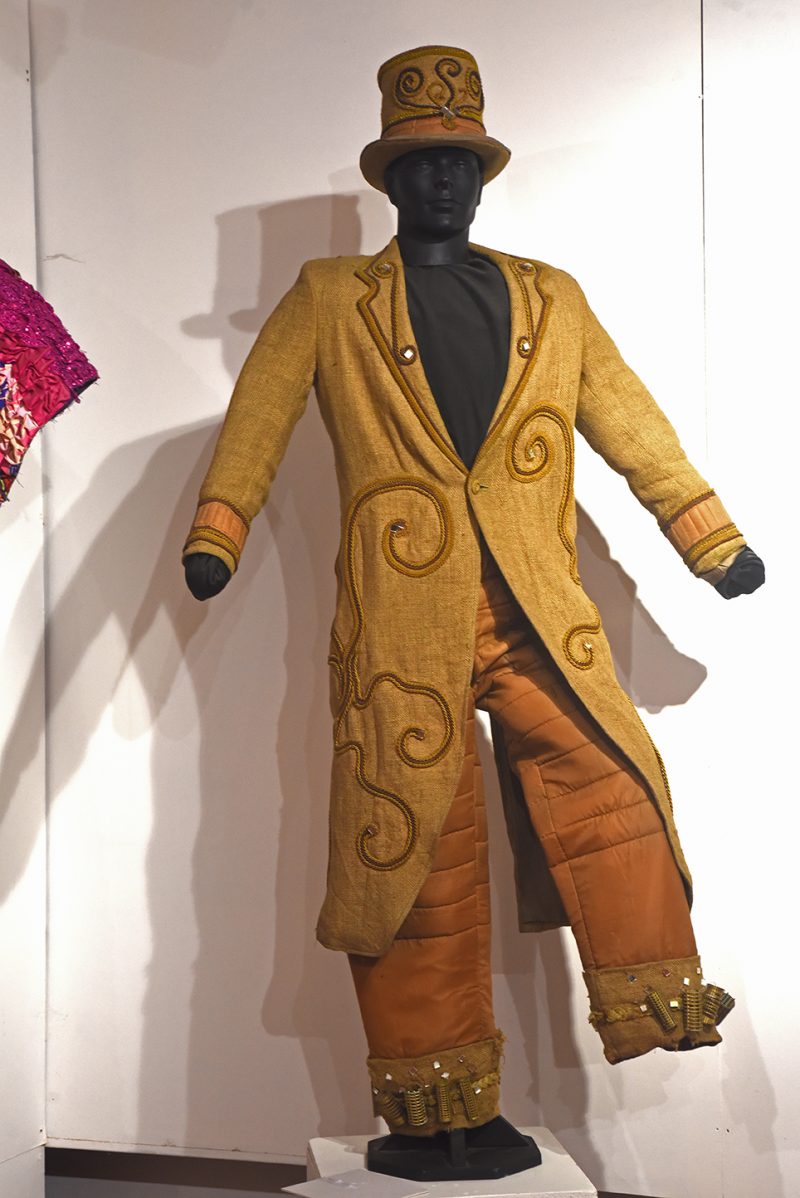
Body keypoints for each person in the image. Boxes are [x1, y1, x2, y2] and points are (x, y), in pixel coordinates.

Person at [182, 45, 764, 1175]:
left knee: (613, 787)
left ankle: (650, 1001)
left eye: (459, 160)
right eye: (421, 161)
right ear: (390, 178)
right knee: (413, 860)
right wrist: (219, 532)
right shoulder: (330, 299)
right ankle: (432, 1104)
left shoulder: (551, 298)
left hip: (538, 614)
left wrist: (710, 540)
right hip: (400, 634)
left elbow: (630, 422)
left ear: (483, 174)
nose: (442, 177)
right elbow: (257, 417)